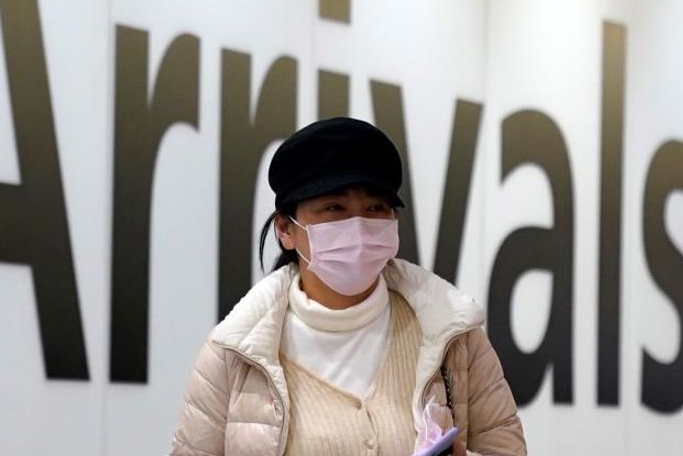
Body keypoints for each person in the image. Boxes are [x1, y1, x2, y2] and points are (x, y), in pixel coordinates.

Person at [169, 117, 526, 455]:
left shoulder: (453, 337)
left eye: (375, 208)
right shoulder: (233, 354)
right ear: (285, 229)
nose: (358, 226)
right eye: (334, 208)